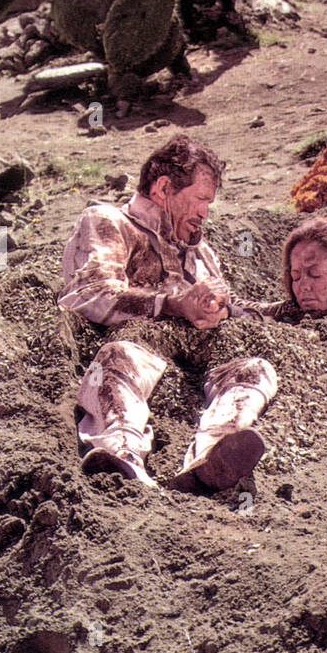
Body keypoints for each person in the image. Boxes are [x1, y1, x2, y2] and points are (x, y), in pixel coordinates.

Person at [59, 135, 276, 492]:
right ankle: (120, 455)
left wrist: (225, 308)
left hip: (196, 366)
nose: (205, 211)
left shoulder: (199, 249)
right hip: (135, 355)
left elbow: (234, 304)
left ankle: (213, 455)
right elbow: (88, 294)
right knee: (117, 357)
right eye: (201, 199)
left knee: (256, 369)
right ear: (163, 189)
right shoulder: (108, 222)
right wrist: (173, 303)